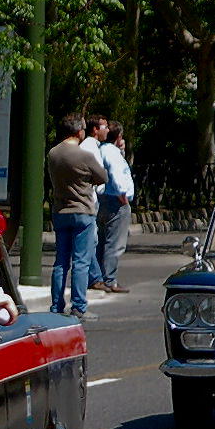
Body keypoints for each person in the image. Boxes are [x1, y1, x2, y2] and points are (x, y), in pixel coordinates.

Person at [48, 114, 108, 321]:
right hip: (82, 210)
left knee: (61, 261)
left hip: (60, 211)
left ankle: (56, 305)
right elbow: (103, 177)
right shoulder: (84, 155)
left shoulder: (53, 154)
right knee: (81, 261)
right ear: (79, 131)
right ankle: (79, 307)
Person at [96, 121, 135, 293]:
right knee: (114, 243)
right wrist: (122, 195)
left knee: (102, 241)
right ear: (118, 136)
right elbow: (116, 173)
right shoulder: (112, 153)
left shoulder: (101, 150)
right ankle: (110, 280)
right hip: (116, 200)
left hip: (103, 198)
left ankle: (100, 277)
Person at [80, 114, 109, 292]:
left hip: (91, 198)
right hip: (89, 199)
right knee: (90, 240)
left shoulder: (93, 146)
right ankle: (95, 277)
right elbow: (97, 175)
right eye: (104, 127)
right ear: (95, 130)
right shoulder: (89, 148)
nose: (107, 130)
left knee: (92, 239)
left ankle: (95, 276)